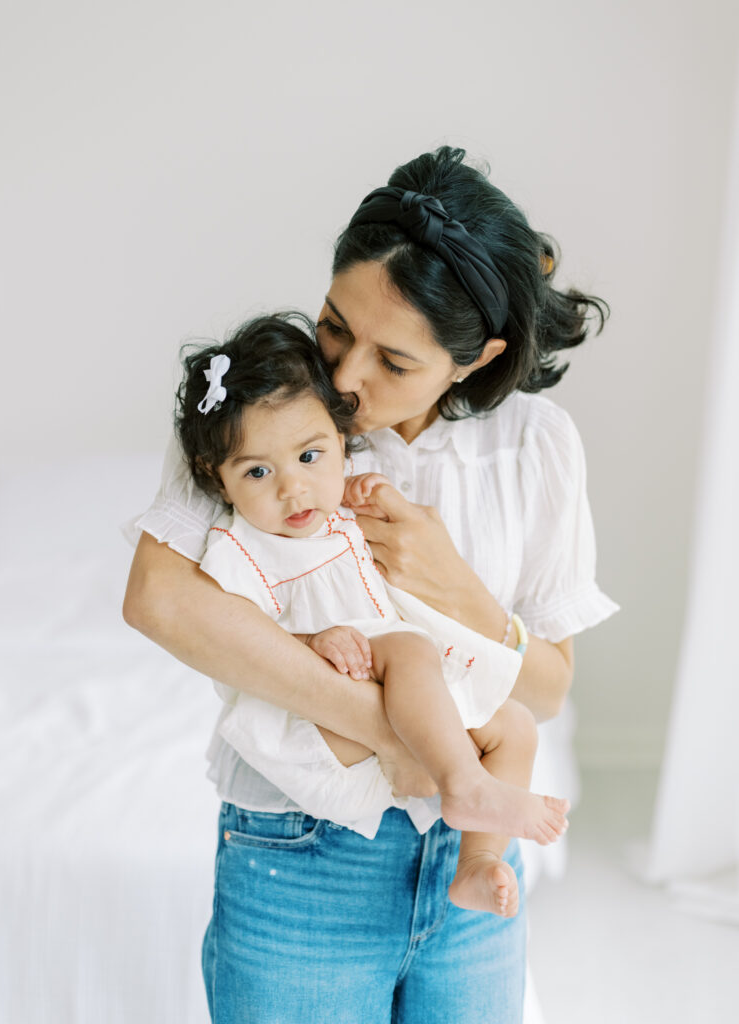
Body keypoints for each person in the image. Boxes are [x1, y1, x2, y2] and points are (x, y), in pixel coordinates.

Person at [123, 146, 618, 1024]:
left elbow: (546, 689)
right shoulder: (261, 414)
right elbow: (162, 603)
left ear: (475, 358)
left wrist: (458, 589)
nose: (346, 379)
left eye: (394, 362)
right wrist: (404, 739)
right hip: (301, 856)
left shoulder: (533, 445)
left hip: (471, 868)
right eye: (334, 325)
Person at [174, 313, 570, 919]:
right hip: (313, 722)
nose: (292, 490)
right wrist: (311, 638)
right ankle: (464, 785)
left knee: (517, 726)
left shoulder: (340, 512)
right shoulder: (239, 548)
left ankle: (478, 861)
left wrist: (376, 500)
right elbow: (232, 634)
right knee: (408, 649)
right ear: (216, 479)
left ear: (341, 443)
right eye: (257, 471)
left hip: (393, 702)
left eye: (311, 456)